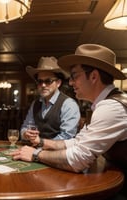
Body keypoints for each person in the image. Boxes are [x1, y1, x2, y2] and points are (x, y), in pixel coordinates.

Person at [11, 44, 127, 175]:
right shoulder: (106, 104)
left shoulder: (111, 108)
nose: (71, 82)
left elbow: (78, 160)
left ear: (94, 76)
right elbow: (78, 142)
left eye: (74, 76)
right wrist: (42, 142)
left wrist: (35, 154)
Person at [21, 56, 80, 146]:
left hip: (58, 154)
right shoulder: (35, 104)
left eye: (48, 81)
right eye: (40, 81)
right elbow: (25, 128)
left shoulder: (69, 104)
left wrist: (41, 144)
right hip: (36, 149)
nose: (43, 85)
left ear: (58, 83)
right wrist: (25, 134)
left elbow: (67, 137)